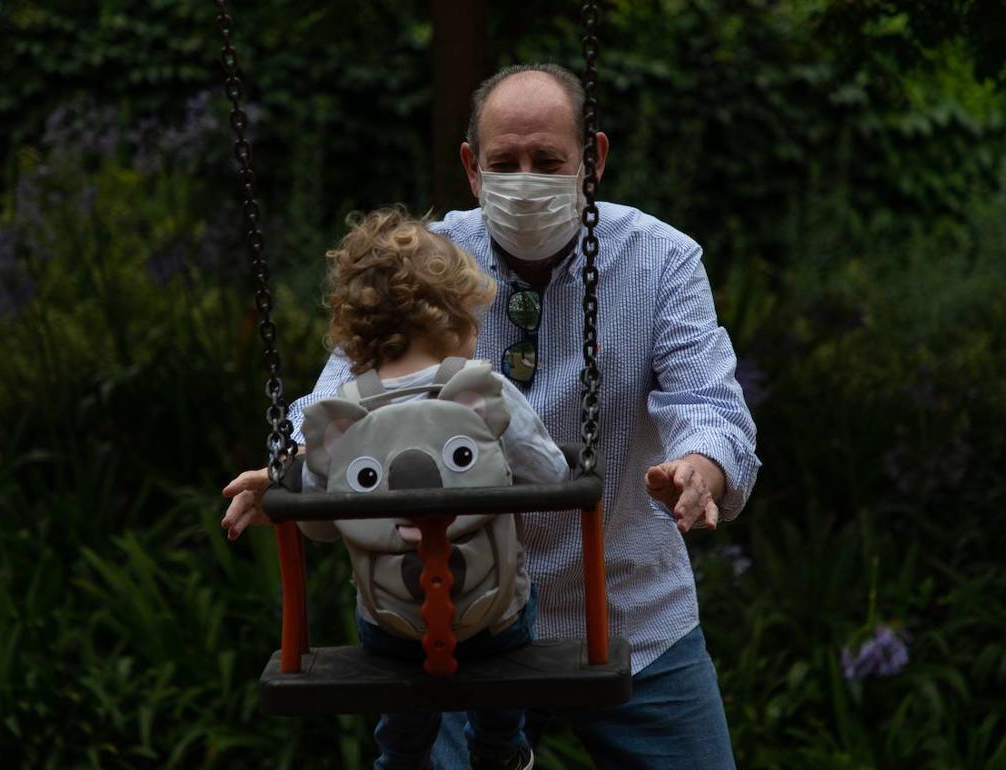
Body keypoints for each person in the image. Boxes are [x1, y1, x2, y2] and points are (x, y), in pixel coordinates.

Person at [225, 64, 760, 768]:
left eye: (549, 161)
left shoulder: (662, 261)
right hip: (452, 618)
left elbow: (709, 403)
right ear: (472, 168)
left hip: (630, 610)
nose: (526, 178)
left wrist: (701, 467)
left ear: (592, 160)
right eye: (505, 162)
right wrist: (289, 469)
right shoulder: (426, 264)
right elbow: (339, 395)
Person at [223, 207, 567, 770]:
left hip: (391, 623)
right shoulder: (486, 393)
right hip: (493, 617)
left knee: (400, 689)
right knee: (513, 638)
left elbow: (319, 527)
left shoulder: (340, 416)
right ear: (457, 319)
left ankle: (400, 759)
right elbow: (550, 479)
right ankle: (501, 746)